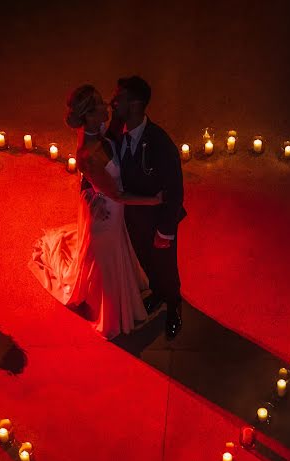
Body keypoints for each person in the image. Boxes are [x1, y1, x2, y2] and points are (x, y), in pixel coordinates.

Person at [28, 85, 162, 340]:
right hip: (108, 216)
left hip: (105, 206)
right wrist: (153, 200)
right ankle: (112, 311)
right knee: (107, 260)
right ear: (89, 116)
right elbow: (118, 195)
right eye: (101, 103)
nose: (108, 105)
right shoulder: (88, 153)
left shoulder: (96, 130)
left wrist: (88, 191)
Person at [108, 76, 186, 338]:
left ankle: (174, 304)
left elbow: (174, 191)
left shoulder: (160, 143)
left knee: (165, 265)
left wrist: (165, 232)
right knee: (146, 262)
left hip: (156, 221)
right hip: (131, 217)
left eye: (119, 98)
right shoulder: (117, 130)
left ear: (135, 104)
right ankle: (158, 293)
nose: (113, 102)